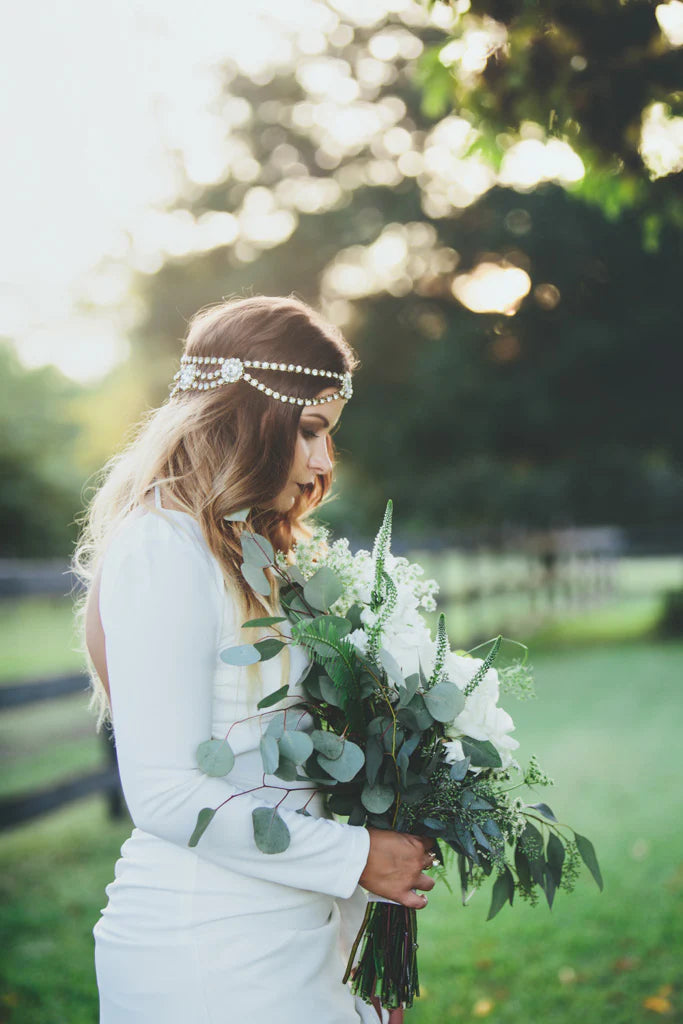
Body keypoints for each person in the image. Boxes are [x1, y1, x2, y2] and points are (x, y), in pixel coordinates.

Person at [72, 294, 436, 1024]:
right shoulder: (161, 548)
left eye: (328, 434)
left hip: (298, 939)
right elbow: (168, 795)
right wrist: (354, 857)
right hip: (208, 954)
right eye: (308, 430)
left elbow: (286, 782)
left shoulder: (250, 554)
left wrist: (355, 941)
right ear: (245, 413)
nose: (323, 460)